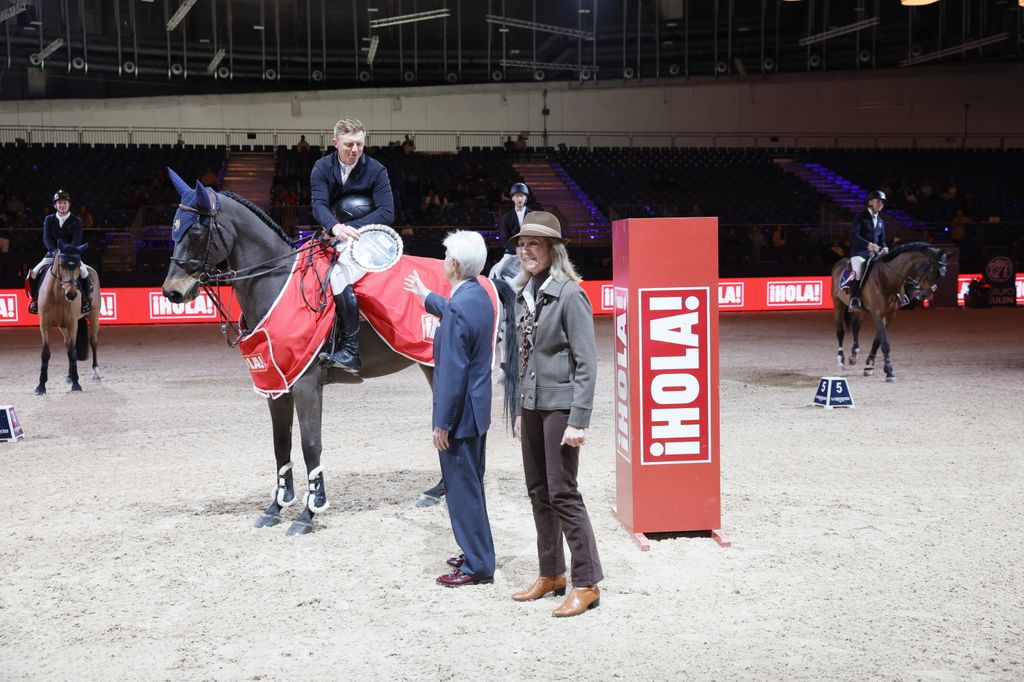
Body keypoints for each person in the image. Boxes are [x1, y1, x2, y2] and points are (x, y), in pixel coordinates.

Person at [508, 211, 602, 618]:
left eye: (534, 244)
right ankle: (552, 573)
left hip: (562, 407)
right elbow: (522, 356)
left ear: (553, 250)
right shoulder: (524, 292)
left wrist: (579, 419)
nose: (525, 251)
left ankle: (586, 582)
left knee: (563, 493)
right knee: (537, 491)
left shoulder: (570, 294)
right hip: (532, 405)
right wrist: (519, 407)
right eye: (521, 244)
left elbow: (587, 362)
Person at [403, 231, 496, 588]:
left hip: (459, 417)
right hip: (477, 411)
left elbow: (452, 375)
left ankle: (478, 566)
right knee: (471, 485)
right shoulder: (478, 296)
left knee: (462, 491)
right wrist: (426, 296)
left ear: (453, 264)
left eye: (445, 258)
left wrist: (442, 424)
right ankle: (478, 552)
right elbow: (457, 314)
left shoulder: (460, 306)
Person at [310, 117, 395, 373]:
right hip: (332, 232)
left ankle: (350, 349)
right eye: (348, 144)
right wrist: (335, 228)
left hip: (369, 237)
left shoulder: (376, 169)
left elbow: (386, 211)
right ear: (335, 143)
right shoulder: (321, 167)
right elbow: (319, 205)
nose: (355, 150)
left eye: (359, 144)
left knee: (338, 274)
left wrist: (351, 230)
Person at [28, 190, 91, 314]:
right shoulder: (49, 219)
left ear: (69, 204)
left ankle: (85, 300)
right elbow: (46, 237)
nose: (62, 205)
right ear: (55, 205)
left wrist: (68, 252)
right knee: (34, 273)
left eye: (65, 203)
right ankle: (35, 300)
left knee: (84, 272)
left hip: (71, 255)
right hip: (52, 254)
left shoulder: (76, 221)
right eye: (59, 203)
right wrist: (54, 250)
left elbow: (76, 240)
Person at [848, 190, 889, 310]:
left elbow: (882, 241)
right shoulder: (860, 217)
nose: (881, 203)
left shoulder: (881, 221)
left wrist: (885, 247)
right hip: (859, 253)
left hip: (874, 254)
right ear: (870, 202)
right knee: (859, 271)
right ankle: (854, 299)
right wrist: (868, 245)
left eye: (882, 202)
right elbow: (854, 235)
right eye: (878, 201)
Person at [490, 182, 531, 279]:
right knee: (499, 270)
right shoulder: (507, 217)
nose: (520, 199)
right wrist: (516, 249)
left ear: (525, 198)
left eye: (522, 196)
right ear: (513, 198)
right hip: (512, 252)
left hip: (529, 251)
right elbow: (504, 239)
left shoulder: (532, 214)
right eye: (517, 196)